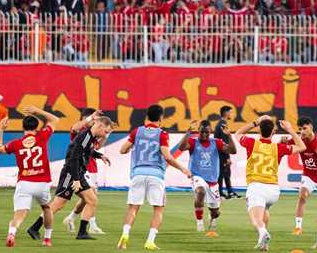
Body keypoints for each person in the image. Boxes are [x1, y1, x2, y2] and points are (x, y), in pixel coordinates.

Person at [117, 104, 191, 251]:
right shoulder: (162, 134)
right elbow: (167, 157)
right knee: (158, 209)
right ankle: (150, 241)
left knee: (133, 208)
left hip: (138, 173)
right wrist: (183, 168)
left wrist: (133, 147)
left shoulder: (137, 131)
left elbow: (122, 150)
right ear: (161, 118)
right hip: (156, 175)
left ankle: (125, 234)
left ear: (147, 117)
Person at [234, 115, 304, 251]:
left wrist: (256, 121)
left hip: (256, 187)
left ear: (259, 130)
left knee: (256, 219)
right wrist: (290, 130)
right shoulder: (278, 147)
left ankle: (263, 232)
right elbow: (302, 146)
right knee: (264, 210)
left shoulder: (251, 143)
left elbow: (238, 133)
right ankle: (264, 244)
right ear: (273, 132)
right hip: (273, 190)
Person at [0, 105, 58, 247]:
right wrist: (37, 111)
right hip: (42, 182)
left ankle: (12, 233)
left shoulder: (16, 143)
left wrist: (1, 129)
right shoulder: (42, 136)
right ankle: (47, 239)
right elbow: (55, 119)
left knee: (20, 213)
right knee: (47, 208)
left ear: (23, 127)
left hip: (24, 183)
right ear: (37, 128)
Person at [177, 119, 236, 235]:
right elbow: (181, 147)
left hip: (213, 180)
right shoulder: (193, 142)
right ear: (198, 131)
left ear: (211, 131)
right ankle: (199, 223)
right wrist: (188, 132)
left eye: (207, 132)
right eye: (202, 132)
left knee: (216, 212)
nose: (204, 134)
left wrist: (229, 136)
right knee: (200, 191)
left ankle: (212, 216)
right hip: (197, 176)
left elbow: (233, 151)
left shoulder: (217, 142)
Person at [58, 109, 110, 236]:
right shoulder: (81, 133)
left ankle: (72, 218)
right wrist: (89, 118)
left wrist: (106, 135)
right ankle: (91, 225)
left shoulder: (93, 135)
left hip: (91, 167)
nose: (94, 121)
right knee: (91, 197)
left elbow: (96, 147)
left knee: (89, 198)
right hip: (80, 169)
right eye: (92, 119)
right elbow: (74, 129)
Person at [213, 105, 239, 199]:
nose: (231, 114)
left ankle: (227, 191)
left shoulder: (221, 124)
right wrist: (227, 157)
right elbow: (224, 142)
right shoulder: (223, 125)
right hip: (221, 153)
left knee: (224, 172)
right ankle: (221, 192)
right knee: (223, 173)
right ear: (225, 113)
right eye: (230, 112)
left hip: (220, 152)